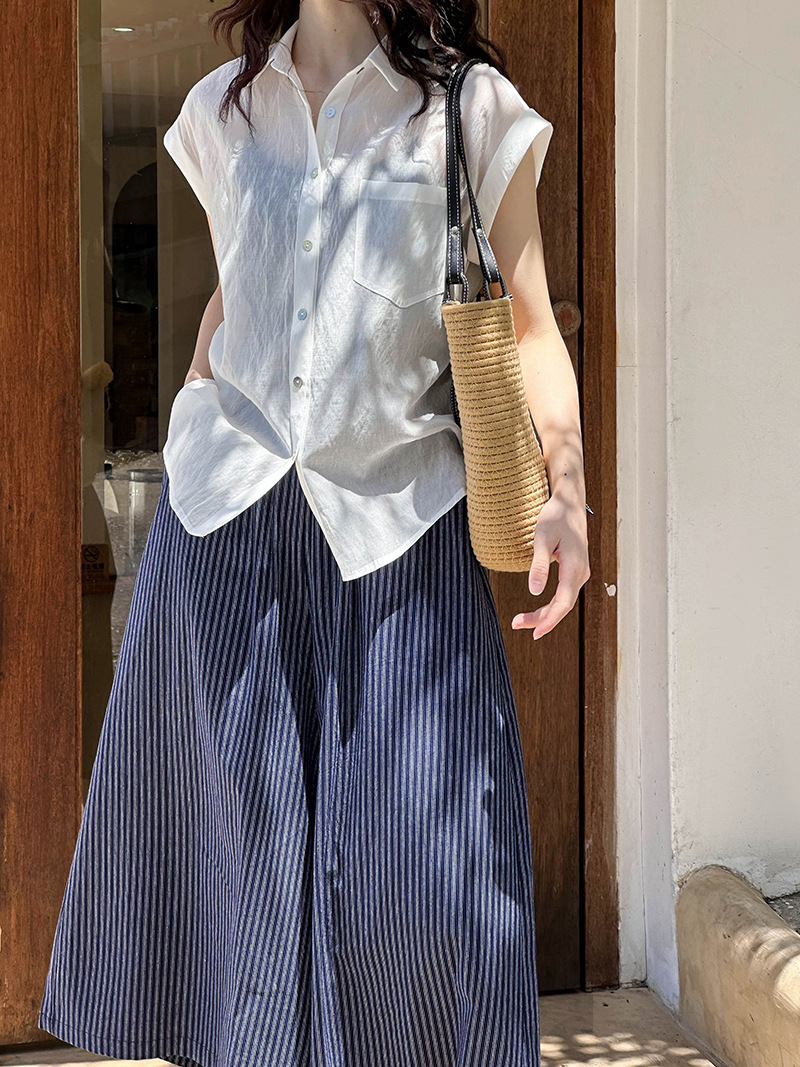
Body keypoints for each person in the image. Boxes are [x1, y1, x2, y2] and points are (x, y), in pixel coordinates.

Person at [38, 1, 590, 1065]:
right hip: (228, 528)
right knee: (232, 880)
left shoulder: (469, 108)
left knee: (418, 884)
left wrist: (566, 492)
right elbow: (238, 301)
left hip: (397, 532)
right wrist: (191, 416)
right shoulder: (224, 108)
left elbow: (528, 328)